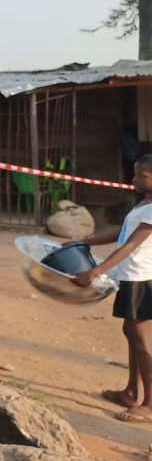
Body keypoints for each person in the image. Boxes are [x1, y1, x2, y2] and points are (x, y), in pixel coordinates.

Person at [72, 154, 152, 424]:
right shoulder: (143, 203)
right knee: (130, 332)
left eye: (141, 175)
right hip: (130, 277)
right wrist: (86, 241)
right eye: (135, 174)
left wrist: (95, 271)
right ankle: (131, 391)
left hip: (143, 280)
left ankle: (150, 404)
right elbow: (122, 232)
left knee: (142, 342)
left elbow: (130, 245)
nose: (134, 179)